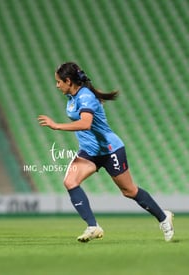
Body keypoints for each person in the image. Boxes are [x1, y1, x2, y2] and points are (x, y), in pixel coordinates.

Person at [37, 62, 174, 242]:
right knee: (70, 182)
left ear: (68, 81)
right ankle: (93, 227)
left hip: (110, 150)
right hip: (89, 152)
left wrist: (57, 126)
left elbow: (86, 123)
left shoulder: (85, 96)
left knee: (129, 191)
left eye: (58, 82)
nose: (57, 85)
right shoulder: (73, 97)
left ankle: (164, 218)